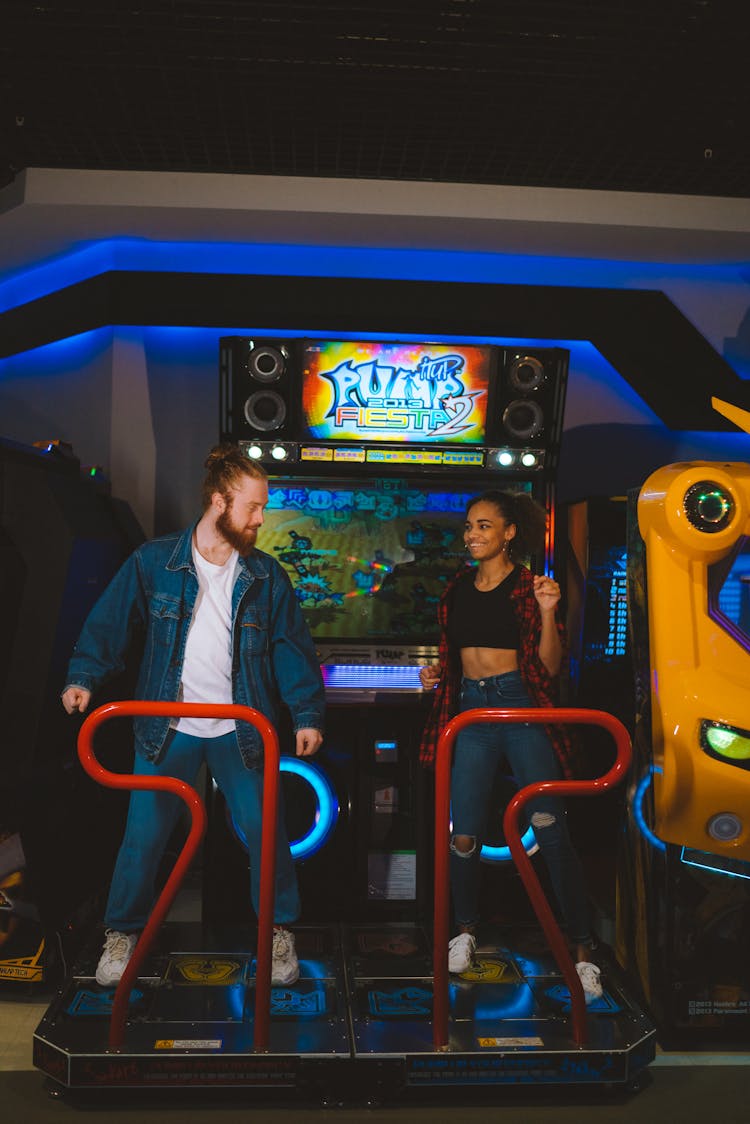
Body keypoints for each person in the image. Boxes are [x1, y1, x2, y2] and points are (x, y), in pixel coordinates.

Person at [61, 444, 325, 989]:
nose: (259, 519)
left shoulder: (266, 575)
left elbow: (289, 648)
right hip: (168, 725)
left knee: (265, 833)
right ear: (216, 501)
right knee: (144, 836)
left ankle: (277, 933)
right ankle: (122, 934)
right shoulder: (155, 561)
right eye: (252, 507)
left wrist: (305, 712)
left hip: (241, 728)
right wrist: (83, 676)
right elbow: (111, 621)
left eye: (261, 508)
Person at [418, 489, 602, 1003]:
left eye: (483, 527)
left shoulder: (530, 588)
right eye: (469, 526)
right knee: (464, 835)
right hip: (471, 713)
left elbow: (548, 668)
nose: (471, 535)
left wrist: (547, 612)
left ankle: (583, 952)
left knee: (551, 831)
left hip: (521, 709)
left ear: (508, 533)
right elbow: (452, 659)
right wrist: (437, 673)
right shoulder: (455, 588)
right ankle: (466, 932)